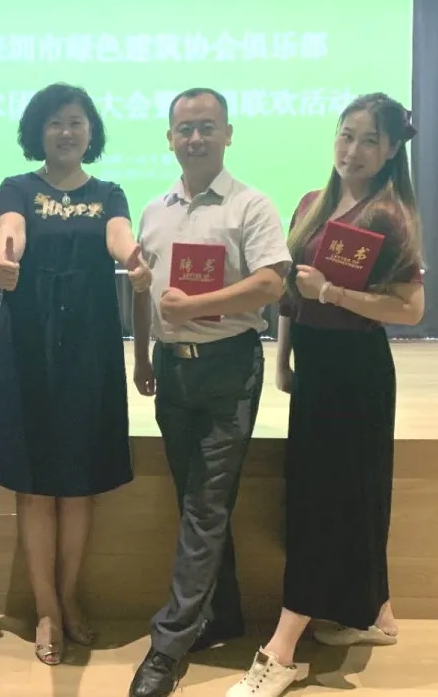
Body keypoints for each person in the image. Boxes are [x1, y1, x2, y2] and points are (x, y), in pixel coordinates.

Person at [226, 93, 425, 697]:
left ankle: (280, 651)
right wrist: (283, 357)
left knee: (329, 501)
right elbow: (292, 292)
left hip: (357, 373)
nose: (353, 150)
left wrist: (333, 295)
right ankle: (376, 613)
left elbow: (411, 309)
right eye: (346, 134)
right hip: (314, 368)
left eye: (369, 140)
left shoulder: (390, 216)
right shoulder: (312, 204)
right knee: (332, 492)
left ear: (390, 152)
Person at [0, 83, 152, 666]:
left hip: (88, 346)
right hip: (29, 342)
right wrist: (4, 257)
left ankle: (70, 595)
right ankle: (47, 608)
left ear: (90, 131)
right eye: (55, 122)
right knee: (33, 483)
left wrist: (133, 259)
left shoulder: (109, 192)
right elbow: (12, 233)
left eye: (76, 121)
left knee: (80, 482)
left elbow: (118, 236)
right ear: (38, 131)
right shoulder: (17, 187)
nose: (66, 131)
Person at [128, 88, 291, 697]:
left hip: (229, 369)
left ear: (228, 133)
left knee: (204, 502)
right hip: (172, 371)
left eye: (206, 127)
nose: (194, 138)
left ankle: (166, 646)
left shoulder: (251, 205)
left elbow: (272, 284)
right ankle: (221, 615)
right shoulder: (155, 210)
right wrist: (142, 354)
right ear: (169, 137)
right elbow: (143, 289)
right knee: (195, 498)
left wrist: (195, 307)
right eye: (184, 128)